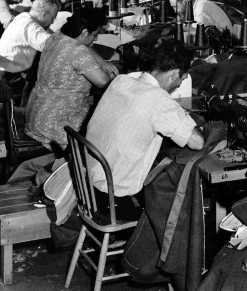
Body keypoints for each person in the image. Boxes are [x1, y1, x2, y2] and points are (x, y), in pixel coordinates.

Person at [86, 40, 204, 197]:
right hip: (116, 191)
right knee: (182, 181)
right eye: (182, 78)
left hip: (89, 180)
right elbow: (197, 143)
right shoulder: (160, 100)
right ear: (174, 74)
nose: (180, 83)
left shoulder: (121, 81)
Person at [25, 8, 118, 150]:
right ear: (85, 32)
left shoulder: (57, 36)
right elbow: (102, 81)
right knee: (108, 126)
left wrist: (102, 61)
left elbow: (84, 45)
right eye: (95, 35)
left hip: (38, 115)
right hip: (56, 125)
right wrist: (115, 75)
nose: (96, 39)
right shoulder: (76, 51)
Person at [0, 0, 60, 85]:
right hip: (8, 77)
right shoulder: (31, 27)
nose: (53, 22)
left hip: (0, 69)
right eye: (53, 18)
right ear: (44, 14)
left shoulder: (23, 17)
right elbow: (52, 46)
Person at [170, 0, 234, 36]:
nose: (175, 11)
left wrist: (178, 27)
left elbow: (197, 33)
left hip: (222, 45)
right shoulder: (197, 5)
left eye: (175, 7)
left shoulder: (201, 9)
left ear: (185, 1)